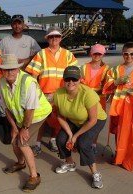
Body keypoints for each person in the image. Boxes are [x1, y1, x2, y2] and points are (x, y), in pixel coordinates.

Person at [0, 54, 52, 192]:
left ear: (17, 69)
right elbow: (6, 108)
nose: (9, 72)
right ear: (2, 70)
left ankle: (34, 176)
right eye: (6, 69)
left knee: (22, 143)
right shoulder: (1, 82)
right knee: (14, 140)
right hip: (22, 117)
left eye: (12, 69)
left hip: (37, 114)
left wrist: (24, 129)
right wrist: (14, 128)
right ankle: (21, 163)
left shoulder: (28, 82)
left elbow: (30, 109)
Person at [26, 26, 78, 155]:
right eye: (51, 36)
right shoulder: (41, 54)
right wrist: (35, 92)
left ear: (60, 38)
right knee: (42, 119)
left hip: (62, 93)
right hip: (44, 93)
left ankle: (53, 140)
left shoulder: (68, 55)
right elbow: (33, 75)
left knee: (60, 118)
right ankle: (37, 143)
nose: (54, 39)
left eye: (57, 36)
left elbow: (76, 75)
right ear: (47, 38)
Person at [54, 66, 107, 189]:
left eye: (74, 79)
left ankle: (95, 173)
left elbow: (92, 120)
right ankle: (70, 163)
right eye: (68, 79)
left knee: (83, 143)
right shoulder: (59, 93)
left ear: (80, 80)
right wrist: (70, 135)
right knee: (61, 139)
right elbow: (60, 116)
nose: (71, 82)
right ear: (63, 79)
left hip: (95, 120)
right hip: (74, 119)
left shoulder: (88, 94)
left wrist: (76, 137)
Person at [0, 14, 41, 144]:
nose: (17, 25)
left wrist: (26, 60)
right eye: (15, 23)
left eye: (19, 23)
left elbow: (38, 54)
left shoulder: (29, 40)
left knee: (23, 106)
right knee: (6, 106)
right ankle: (8, 131)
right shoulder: (5, 41)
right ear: (12, 25)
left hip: (24, 78)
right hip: (8, 78)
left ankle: (23, 129)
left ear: (23, 25)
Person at [80, 44, 109, 153]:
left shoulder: (107, 69)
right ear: (91, 53)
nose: (97, 56)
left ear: (103, 55)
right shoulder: (83, 67)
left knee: (97, 122)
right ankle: (82, 142)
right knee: (83, 120)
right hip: (84, 99)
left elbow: (107, 86)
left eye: (99, 54)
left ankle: (93, 144)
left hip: (99, 100)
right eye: (95, 53)